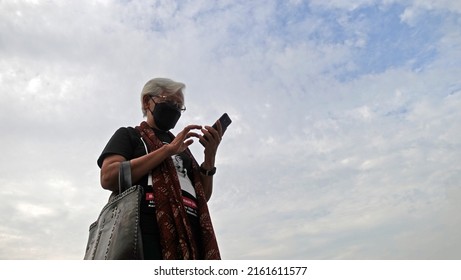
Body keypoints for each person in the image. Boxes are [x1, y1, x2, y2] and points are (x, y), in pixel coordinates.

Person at [97, 78, 222, 259]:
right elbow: (108, 177)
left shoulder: (183, 148)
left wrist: (209, 158)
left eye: (179, 106)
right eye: (169, 101)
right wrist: (166, 151)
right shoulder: (129, 135)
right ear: (147, 101)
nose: (175, 109)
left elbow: (203, 196)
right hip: (143, 231)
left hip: (189, 233)